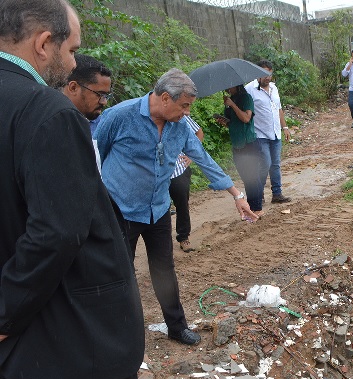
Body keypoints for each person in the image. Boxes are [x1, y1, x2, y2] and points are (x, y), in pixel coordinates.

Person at [0, 0, 145, 379]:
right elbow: (57, 232)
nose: (73, 60)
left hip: (20, 354)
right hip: (77, 344)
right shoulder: (47, 111)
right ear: (45, 43)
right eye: (72, 49)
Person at [95, 68, 258, 346]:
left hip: (157, 208)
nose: (186, 113)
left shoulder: (180, 126)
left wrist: (236, 194)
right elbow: (99, 153)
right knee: (120, 272)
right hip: (119, 209)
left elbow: (203, 158)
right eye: (184, 106)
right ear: (164, 99)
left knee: (164, 270)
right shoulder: (120, 116)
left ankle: (176, 326)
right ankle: (120, 333)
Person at [245, 59, 292, 204]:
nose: (267, 77)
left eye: (269, 74)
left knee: (275, 164)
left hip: (275, 132)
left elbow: (278, 109)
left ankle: (277, 194)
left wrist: (285, 127)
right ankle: (258, 193)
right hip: (259, 134)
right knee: (265, 163)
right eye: (264, 73)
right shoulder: (249, 89)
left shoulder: (274, 88)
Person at [215, 85, 266, 216]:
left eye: (230, 86)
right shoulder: (230, 100)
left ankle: (257, 208)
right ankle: (252, 207)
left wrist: (232, 104)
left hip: (249, 143)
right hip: (237, 144)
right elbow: (234, 123)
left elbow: (246, 118)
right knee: (246, 177)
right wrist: (224, 121)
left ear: (236, 85)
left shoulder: (246, 98)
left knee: (252, 176)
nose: (228, 88)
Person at [62, 53, 113, 173]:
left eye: (107, 96)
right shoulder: (51, 124)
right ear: (73, 87)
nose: (104, 102)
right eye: (99, 94)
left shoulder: (95, 124)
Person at [169, 115, 204, 252]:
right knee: (160, 207)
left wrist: (191, 155)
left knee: (182, 204)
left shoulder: (180, 116)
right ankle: (162, 242)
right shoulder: (149, 118)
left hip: (179, 169)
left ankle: (183, 237)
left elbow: (198, 132)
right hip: (156, 173)